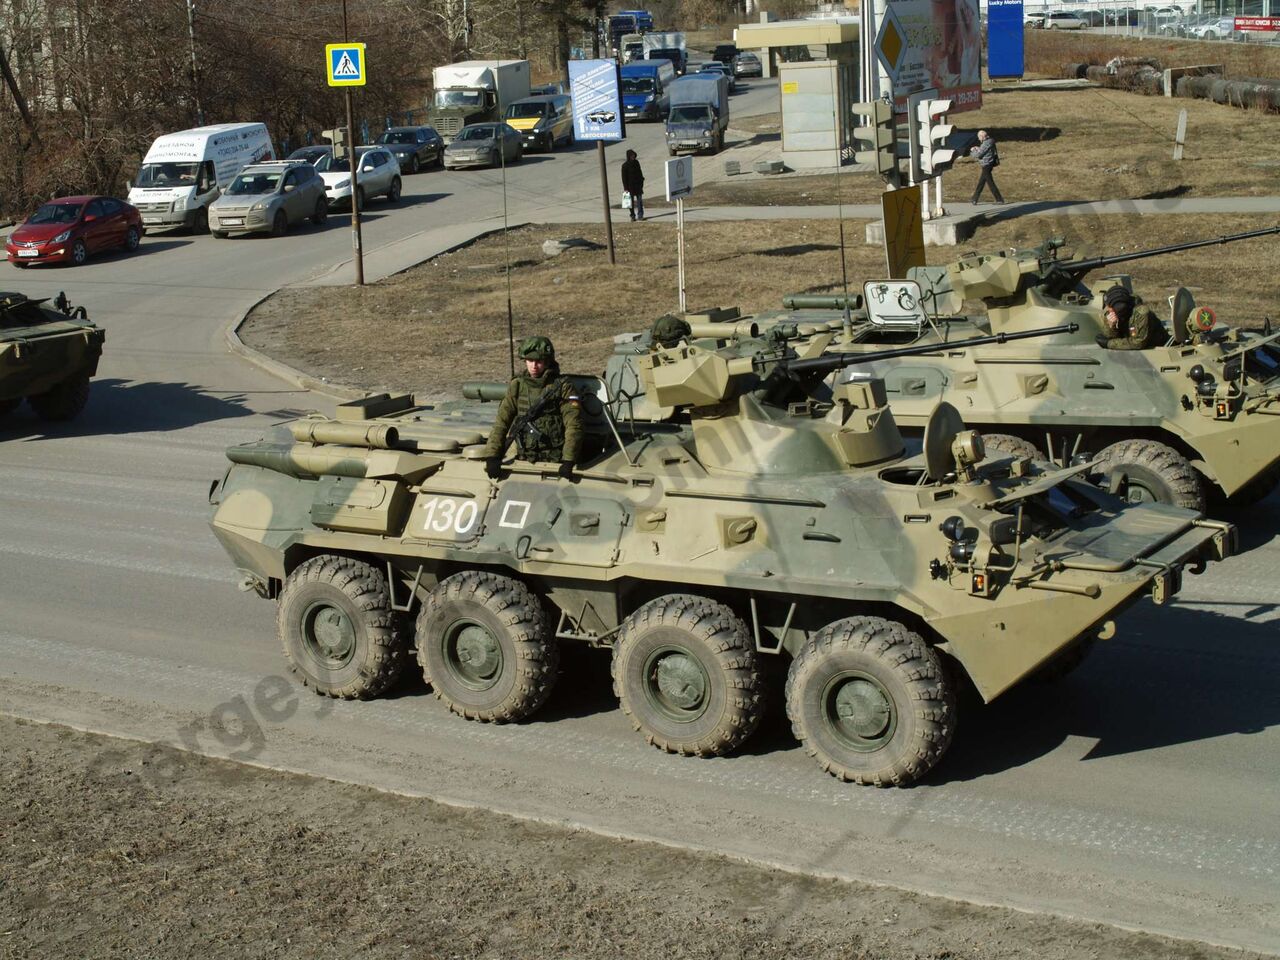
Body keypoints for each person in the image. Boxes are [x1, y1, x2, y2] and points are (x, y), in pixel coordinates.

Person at [482, 336, 582, 479]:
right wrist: (492, 456)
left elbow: (574, 424)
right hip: (524, 457)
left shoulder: (563, 387)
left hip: (555, 459)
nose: (534, 366)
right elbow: (501, 422)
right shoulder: (517, 385)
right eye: (530, 361)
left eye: (539, 361)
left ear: (548, 361)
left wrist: (569, 460)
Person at [1096, 285, 1168, 350]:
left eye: (1109, 307)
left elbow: (1138, 343)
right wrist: (1111, 326)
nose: (1107, 308)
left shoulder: (1141, 314)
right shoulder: (1111, 313)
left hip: (1155, 348)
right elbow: (1110, 337)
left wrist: (1109, 344)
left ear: (1117, 309)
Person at [969, 130, 1004, 205]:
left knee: (990, 182)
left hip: (986, 165)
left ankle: (999, 199)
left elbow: (978, 155)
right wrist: (978, 148)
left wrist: (972, 151)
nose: (978, 139)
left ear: (982, 137)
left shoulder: (986, 143)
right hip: (989, 164)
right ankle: (974, 199)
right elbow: (985, 151)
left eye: (979, 137)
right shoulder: (990, 141)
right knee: (981, 182)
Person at [621, 149, 645, 221]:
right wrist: (625, 188)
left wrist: (642, 180)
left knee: (639, 201)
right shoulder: (625, 165)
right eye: (632, 156)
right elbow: (624, 178)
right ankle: (632, 215)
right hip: (629, 186)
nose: (633, 157)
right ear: (628, 156)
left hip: (638, 185)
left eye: (634, 156)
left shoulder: (636, 163)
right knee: (629, 202)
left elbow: (640, 172)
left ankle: (640, 215)